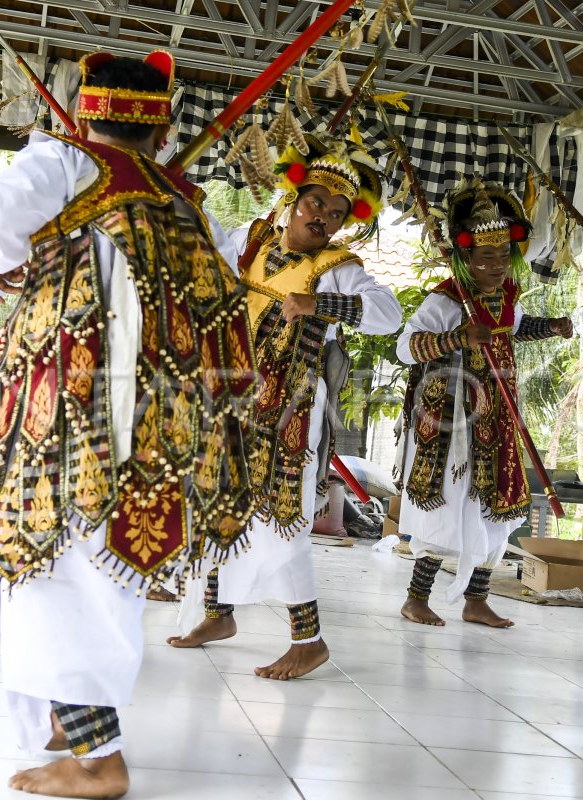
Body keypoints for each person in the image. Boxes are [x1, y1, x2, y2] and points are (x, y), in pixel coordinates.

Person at [0, 51, 257, 798]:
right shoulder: (183, 200)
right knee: (93, 572)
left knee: (59, 571)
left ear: (86, 112)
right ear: (164, 126)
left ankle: (97, 759)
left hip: (70, 411)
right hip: (159, 419)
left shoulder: (65, 163)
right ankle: (68, 729)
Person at [168, 135, 403, 679]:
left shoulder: (338, 266)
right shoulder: (252, 242)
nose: (322, 216)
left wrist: (320, 302)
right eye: (316, 201)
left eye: (336, 212)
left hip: (289, 409)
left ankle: (309, 639)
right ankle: (218, 613)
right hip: (227, 394)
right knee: (215, 498)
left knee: (280, 517)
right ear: (295, 200)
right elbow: (202, 251)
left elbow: (387, 313)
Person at [394, 177, 572, 628]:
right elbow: (405, 346)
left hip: (498, 412)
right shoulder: (447, 298)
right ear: (467, 257)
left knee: (495, 506)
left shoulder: (505, 295)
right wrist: (455, 337)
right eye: (485, 256)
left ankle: (477, 599)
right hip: (453, 419)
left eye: (502, 256)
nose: (496, 265)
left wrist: (549, 327)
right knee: (450, 503)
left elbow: (510, 331)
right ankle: (417, 597)